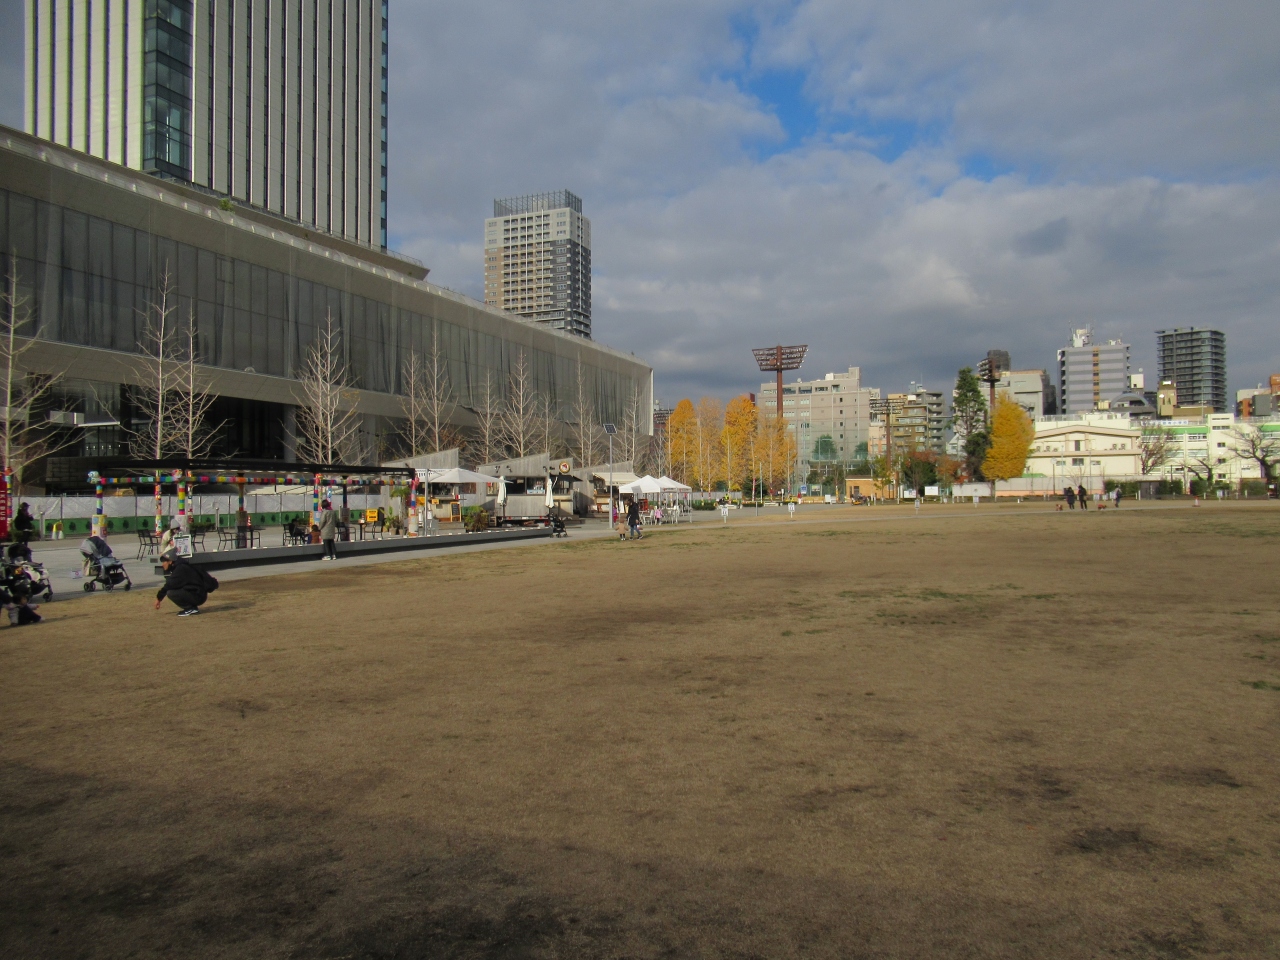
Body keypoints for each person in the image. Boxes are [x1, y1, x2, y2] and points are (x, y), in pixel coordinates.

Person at [153, 548, 217, 617]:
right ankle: (192, 608)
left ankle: (190, 608)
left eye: (164, 562)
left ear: (170, 561)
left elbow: (169, 585)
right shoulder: (181, 566)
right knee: (173, 590)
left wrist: (158, 599)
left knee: (171, 593)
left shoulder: (180, 569)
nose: (162, 565)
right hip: (198, 593)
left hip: (198, 595)